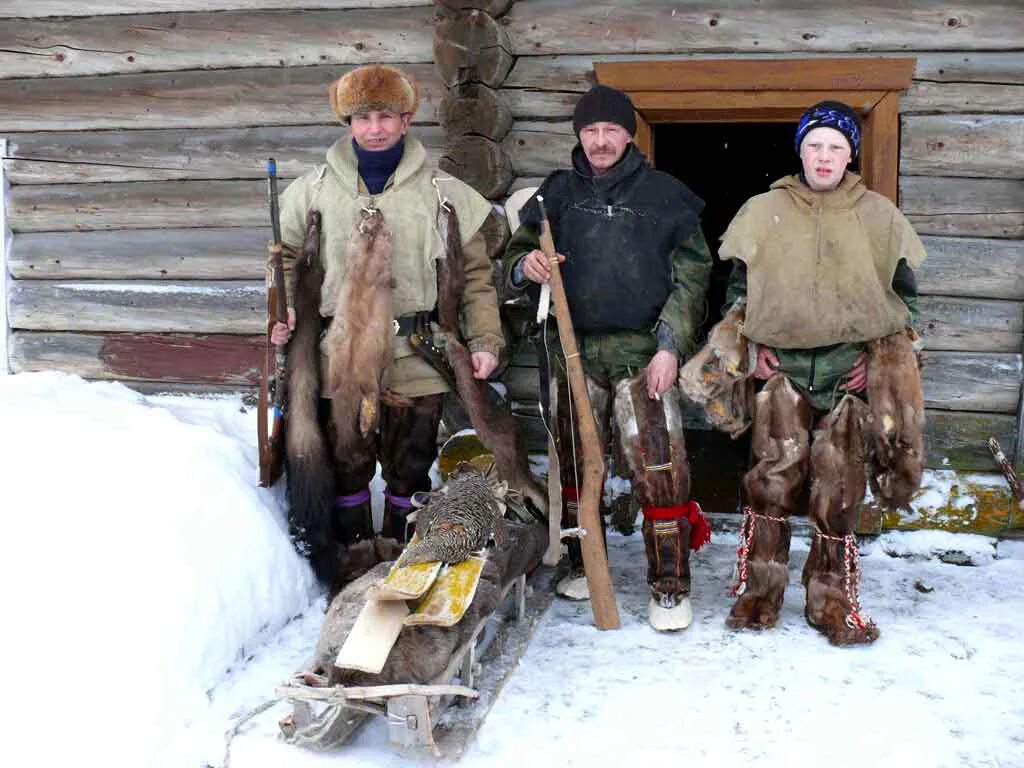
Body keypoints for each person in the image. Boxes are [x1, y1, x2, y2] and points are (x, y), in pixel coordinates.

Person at [270, 64, 504, 590]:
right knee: (348, 467)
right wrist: (283, 313)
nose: (374, 128)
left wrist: (485, 340)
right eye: (362, 117)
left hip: (417, 353)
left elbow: (476, 277)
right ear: (347, 122)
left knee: (409, 469)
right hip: (342, 353)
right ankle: (352, 575)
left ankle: (403, 572)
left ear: (406, 118)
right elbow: (283, 262)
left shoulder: (444, 193)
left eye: (385, 116)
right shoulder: (311, 192)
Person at [504, 84, 713, 631]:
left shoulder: (666, 195)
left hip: (643, 355)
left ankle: (668, 586)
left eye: (611, 131)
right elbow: (514, 255)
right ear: (579, 134)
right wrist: (526, 266)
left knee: (660, 468)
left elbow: (693, 277)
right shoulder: (553, 196)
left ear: (629, 134)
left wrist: (671, 345)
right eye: (591, 131)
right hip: (572, 352)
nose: (600, 141)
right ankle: (582, 564)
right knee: (574, 468)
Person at [717, 100, 927, 645]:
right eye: (815, 145)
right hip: (781, 371)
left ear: (850, 153)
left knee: (838, 489)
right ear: (801, 151)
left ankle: (830, 600)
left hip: (845, 374)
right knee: (771, 482)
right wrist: (751, 342)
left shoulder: (879, 216)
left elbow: (905, 303)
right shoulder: (765, 210)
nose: (825, 156)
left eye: (836, 146)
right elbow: (739, 292)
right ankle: (759, 593)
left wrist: (878, 362)